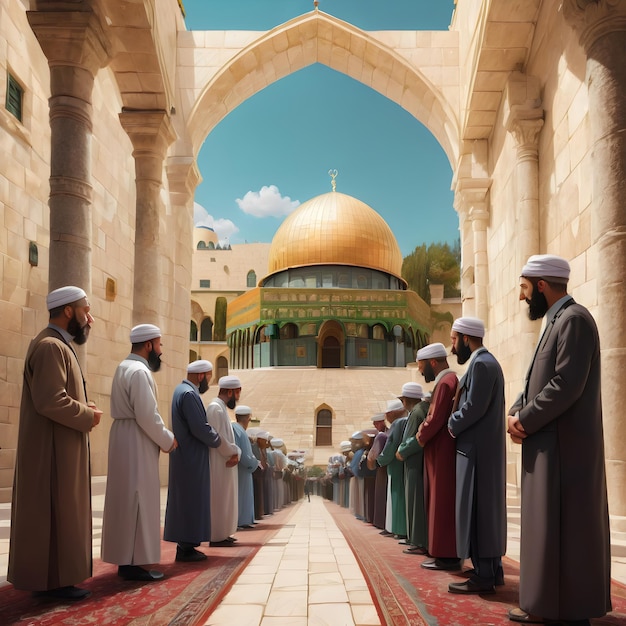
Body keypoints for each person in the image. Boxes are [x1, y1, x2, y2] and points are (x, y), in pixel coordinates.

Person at [507, 255, 611, 623]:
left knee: (568, 533)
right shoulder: (555, 322)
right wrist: (516, 412)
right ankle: (545, 604)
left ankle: (570, 610)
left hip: (565, 449)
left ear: (540, 285)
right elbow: (533, 381)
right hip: (547, 443)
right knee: (547, 531)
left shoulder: (575, 320)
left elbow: (566, 384)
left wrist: (526, 419)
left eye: (523, 288)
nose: (521, 298)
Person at [8, 286, 102, 600]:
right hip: (51, 452)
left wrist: (83, 408)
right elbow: (50, 401)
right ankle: (52, 583)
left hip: (58, 447)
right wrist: (87, 416)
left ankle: (54, 581)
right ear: (67, 311)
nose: (90, 318)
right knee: (54, 514)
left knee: (58, 514)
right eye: (85, 310)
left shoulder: (56, 345)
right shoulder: (50, 346)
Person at [101, 324, 177, 581]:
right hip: (136, 439)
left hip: (124, 436)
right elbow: (147, 415)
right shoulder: (140, 372)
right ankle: (134, 563)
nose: (160, 350)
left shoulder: (123, 367)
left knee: (126, 499)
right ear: (148, 345)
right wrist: (168, 440)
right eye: (159, 344)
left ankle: (126, 560)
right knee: (138, 498)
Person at [447, 317, 506, 595]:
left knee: (480, 513)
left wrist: (452, 423)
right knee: (483, 512)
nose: (452, 345)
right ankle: (489, 570)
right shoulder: (484, 363)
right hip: (480, 451)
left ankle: (484, 575)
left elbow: (473, 408)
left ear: (466, 339)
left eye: (454, 339)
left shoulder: (482, 365)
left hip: (478, 453)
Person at [164, 360, 221, 562]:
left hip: (187, 455)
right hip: (191, 456)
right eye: (208, 377)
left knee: (187, 499)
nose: (209, 381)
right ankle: (186, 546)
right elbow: (199, 427)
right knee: (191, 499)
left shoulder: (181, 390)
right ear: (201, 376)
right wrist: (217, 439)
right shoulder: (189, 394)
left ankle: (187, 544)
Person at [417, 342, 459, 571]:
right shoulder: (447, 380)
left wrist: (420, 435)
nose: (421, 371)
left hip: (441, 451)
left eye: (422, 365)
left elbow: (435, 418)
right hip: (439, 451)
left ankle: (446, 555)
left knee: (442, 503)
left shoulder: (445, 382)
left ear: (433, 362)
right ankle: (442, 552)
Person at [206, 375, 242, 547]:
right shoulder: (215, 409)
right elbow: (218, 438)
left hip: (227, 460)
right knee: (219, 498)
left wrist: (235, 452)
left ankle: (224, 533)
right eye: (237, 393)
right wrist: (234, 451)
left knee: (226, 498)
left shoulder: (221, 409)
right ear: (229, 391)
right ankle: (216, 536)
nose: (238, 398)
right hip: (219, 460)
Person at [395, 379, 429, 555]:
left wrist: (402, 450)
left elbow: (415, 438)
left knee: (415, 501)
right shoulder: (419, 410)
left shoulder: (417, 412)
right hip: (414, 460)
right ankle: (415, 538)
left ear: (407, 399)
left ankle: (418, 541)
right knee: (414, 500)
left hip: (415, 461)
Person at [377, 398, 409, 540]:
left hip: (396, 465)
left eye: (388, 414)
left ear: (395, 413)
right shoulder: (408, 419)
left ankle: (399, 528)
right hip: (407, 463)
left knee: (397, 497)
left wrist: (380, 460)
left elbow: (390, 446)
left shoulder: (398, 423)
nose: (386, 418)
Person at [232, 405, 260, 529]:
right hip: (242, 469)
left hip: (242, 470)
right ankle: (240, 521)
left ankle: (244, 520)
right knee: (240, 495)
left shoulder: (237, 429)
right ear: (248, 418)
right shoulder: (239, 431)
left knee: (243, 495)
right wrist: (254, 463)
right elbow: (244, 455)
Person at [366, 414, 389, 530]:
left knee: (381, 494)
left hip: (382, 466)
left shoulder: (381, 436)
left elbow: (373, 455)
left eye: (376, 423)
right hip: (384, 466)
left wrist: (371, 462)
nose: (375, 426)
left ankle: (381, 522)